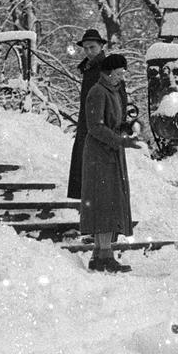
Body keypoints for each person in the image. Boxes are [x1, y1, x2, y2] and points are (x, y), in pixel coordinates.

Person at [79, 52, 141, 272]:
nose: (122, 77)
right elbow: (95, 126)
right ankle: (104, 256)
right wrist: (120, 141)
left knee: (109, 202)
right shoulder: (98, 92)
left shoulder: (112, 92)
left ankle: (99, 255)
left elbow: (111, 122)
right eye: (119, 73)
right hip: (99, 155)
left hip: (110, 153)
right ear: (108, 72)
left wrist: (127, 128)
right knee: (104, 203)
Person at [66, 28, 107, 198]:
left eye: (92, 47)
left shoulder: (106, 68)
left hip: (100, 125)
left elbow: (117, 97)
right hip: (86, 123)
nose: (89, 52)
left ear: (101, 47)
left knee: (98, 170)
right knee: (85, 166)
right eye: (86, 48)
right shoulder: (89, 68)